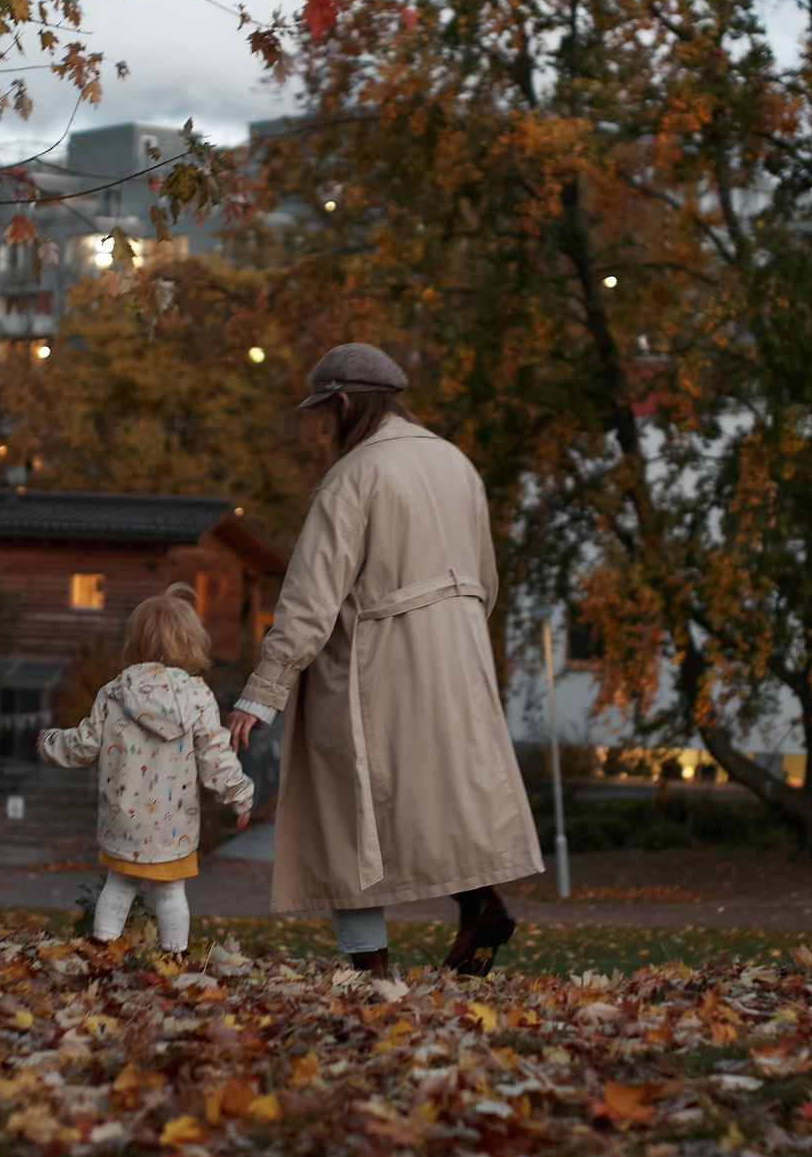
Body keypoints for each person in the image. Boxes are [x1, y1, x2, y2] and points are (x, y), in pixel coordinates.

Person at [225, 343, 544, 978]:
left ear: (344, 401)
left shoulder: (355, 476)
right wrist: (453, 644)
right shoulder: (456, 463)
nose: (321, 427)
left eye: (324, 413)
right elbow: (485, 577)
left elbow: (311, 595)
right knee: (437, 806)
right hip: (456, 662)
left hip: (367, 665)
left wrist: (261, 693)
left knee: (343, 821)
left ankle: (370, 977)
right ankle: (481, 905)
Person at [41, 584, 256, 959]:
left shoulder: (114, 693)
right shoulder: (199, 698)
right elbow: (216, 756)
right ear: (191, 641)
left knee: (119, 885)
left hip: (123, 821)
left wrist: (49, 742)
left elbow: (86, 743)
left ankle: (102, 950)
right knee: (171, 892)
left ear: (137, 640)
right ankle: (175, 957)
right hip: (173, 825)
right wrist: (240, 796)